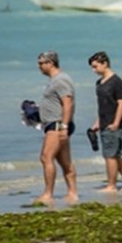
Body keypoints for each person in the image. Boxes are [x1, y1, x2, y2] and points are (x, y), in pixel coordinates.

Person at [88, 51, 122, 192]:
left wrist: (115, 123)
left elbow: (121, 104)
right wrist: (97, 122)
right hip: (104, 122)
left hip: (116, 124)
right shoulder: (99, 83)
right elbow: (103, 105)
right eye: (92, 67)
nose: (94, 70)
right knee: (115, 155)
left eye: (95, 67)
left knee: (109, 156)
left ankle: (111, 185)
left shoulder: (117, 82)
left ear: (105, 64)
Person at [36, 51, 78, 204]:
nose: (39, 66)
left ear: (50, 63)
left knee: (46, 157)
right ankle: (72, 193)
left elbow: (68, 102)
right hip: (55, 124)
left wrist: (64, 126)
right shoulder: (57, 80)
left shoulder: (60, 80)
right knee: (64, 161)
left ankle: (48, 194)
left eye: (41, 63)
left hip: (57, 124)